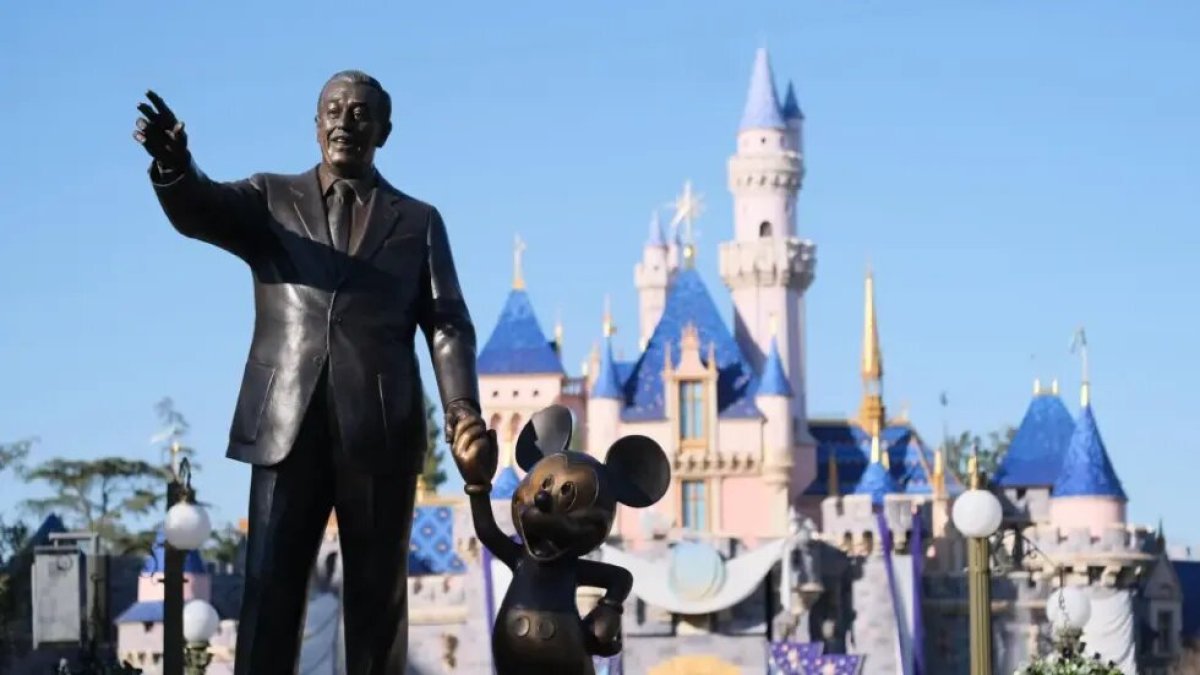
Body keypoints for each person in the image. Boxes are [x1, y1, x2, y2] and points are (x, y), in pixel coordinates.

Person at [134, 71, 491, 674]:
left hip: (379, 430)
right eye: (332, 110)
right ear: (315, 122)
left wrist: (462, 410)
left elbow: (449, 322)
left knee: (378, 603)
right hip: (283, 426)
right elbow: (203, 209)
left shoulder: (419, 221)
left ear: (384, 130)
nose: (344, 122)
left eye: (359, 113)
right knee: (269, 590)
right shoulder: (272, 199)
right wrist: (176, 169)